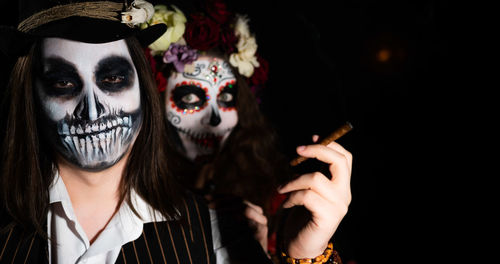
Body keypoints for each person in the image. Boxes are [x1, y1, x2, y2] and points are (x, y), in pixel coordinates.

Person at [0, 0, 352, 263]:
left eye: (113, 79)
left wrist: (307, 255)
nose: (92, 110)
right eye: (62, 83)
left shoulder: (219, 233)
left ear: (142, 90)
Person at [142, 1, 351, 263]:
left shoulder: (277, 202)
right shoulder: (122, 204)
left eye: (227, 97)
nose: (216, 120)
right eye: (191, 100)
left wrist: (305, 255)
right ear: (154, 102)